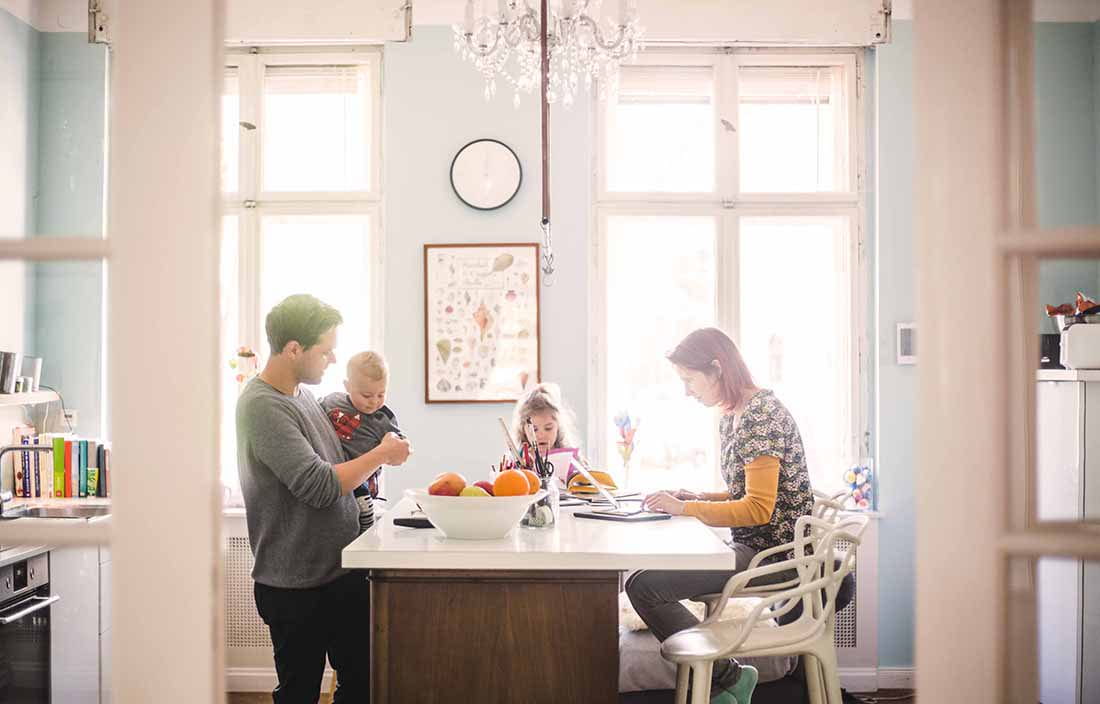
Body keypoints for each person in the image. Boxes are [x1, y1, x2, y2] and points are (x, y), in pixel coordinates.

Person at [237, 294, 412, 703]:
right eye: (325, 350)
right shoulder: (262, 406)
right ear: (294, 349)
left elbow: (339, 466)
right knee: (299, 692)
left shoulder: (302, 396)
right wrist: (382, 454)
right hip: (296, 584)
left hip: (337, 572)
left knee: (361, 685)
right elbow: (318, 486)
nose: (332, 359)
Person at [625, 327, 815, 704]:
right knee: (642, 580)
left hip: (777, 555)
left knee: (644, 586)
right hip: (754, 546)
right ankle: (725, 682)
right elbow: (743, 493)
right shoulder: (733, 415)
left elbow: (759, 509)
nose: (687, 390)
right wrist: (694, 496)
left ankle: (727, 678)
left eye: (689, 379)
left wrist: (685, 508)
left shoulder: (761, 416)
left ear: (717, 369)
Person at [321, 350, 403, 533]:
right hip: (336, 473)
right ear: (347, 386)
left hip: (364, 477)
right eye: (366, 395)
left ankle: (367, 527)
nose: (374, 402)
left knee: (363, 510)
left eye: (381, 394)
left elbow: (399, 446)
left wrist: (397, 448)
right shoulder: (331, 402)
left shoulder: (383, 419)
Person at [510, 382, 582, 481]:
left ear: (558, 427)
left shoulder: (572, 459)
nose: (541, 434)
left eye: (548, 428)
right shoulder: (517, 459)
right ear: (523, 430)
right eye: (534, 429)